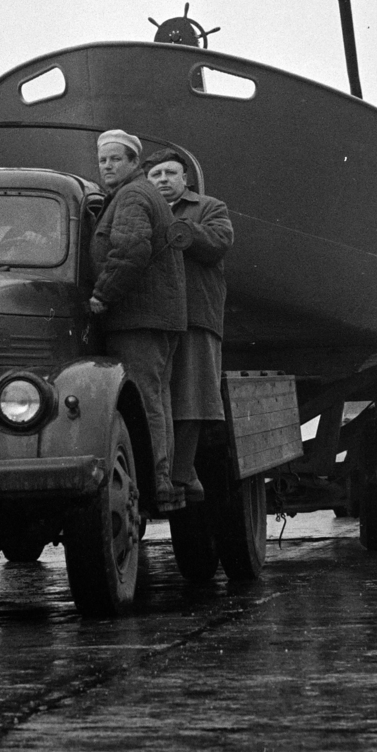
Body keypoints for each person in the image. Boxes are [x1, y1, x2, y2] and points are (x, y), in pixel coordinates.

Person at [88, 130, 187, 510]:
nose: (107, 166)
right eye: (102, 160)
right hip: (157, 317)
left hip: (138, 319)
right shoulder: (142, 194)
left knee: (146, 400)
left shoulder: (131, 196)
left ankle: (154, 483)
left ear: (133, 163)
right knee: (157, 399)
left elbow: (131, 249)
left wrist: (102, 295)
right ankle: (160, 480)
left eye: (116, 159)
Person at [145, 148, 234, 503]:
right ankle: (171, 469)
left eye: (170, 173)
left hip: (196, 315)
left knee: (193, 394)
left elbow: (219, 242)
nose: (163, 180)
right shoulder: (141, 205)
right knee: (159, 395)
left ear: (186, 179)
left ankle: (182, 468)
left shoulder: (210, 207)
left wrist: (182, 229)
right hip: (156, 315)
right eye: (156, 175)